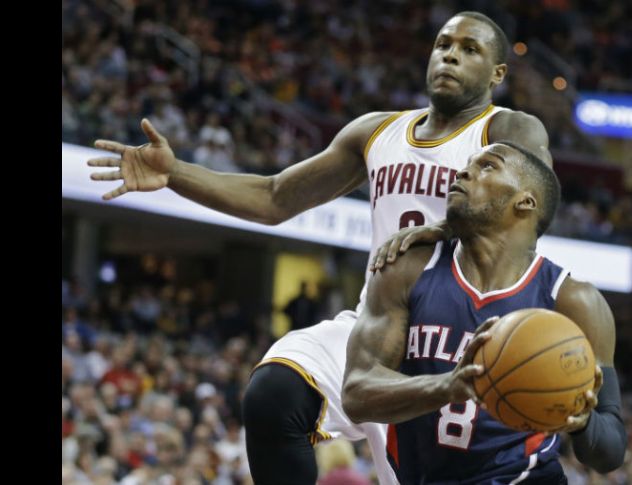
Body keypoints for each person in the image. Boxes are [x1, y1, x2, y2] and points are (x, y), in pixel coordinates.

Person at [88, 11, 552, 484]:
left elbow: (535, 209)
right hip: (373, 329)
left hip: (453, 342)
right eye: (443, 43)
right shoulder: (376, 132)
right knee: (273, 395)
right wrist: (176, 174)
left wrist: (446, 227)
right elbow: (273, 198)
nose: (450, 54)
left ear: (498, 73)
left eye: (469, 49)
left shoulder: (510, 130)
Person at [342, 142, 627, 484]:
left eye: (488, 166)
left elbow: (610, 452)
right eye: (466, 164)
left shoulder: (573, 300)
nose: (463, 172)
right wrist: (446, 386)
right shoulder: (408, 268)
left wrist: (582, 419)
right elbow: (357, 394)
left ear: (526, 201)